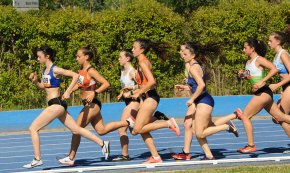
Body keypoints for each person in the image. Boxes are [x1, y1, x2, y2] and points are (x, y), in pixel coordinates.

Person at [24, 46, 108, 168]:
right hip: (56, 104)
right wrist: (36, 81)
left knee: (33, 128)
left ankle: (37, 159)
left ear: (47, 56)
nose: (37, 59)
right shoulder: (44, 70)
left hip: (56, 104)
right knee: (76, 129)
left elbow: (75, 76)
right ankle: (102, 144)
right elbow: (44, 86)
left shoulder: (55, 69)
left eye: (39, 56)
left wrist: (68, 91)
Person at [57, 46, 131, 166]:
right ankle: (128, 122)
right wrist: (69, 92)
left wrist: (94, 92)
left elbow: (106, 83)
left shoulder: (91, 70)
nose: (76, 58)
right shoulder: (81, 70)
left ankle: (71, 157)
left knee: (76, 128)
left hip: (92, 104)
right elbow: (80, 85)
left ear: (86, 57)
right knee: (101, 130)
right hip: (88, 104)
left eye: (78, 56)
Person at [172, 42, 239, 160]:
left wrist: (191, 99)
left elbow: (201, 85)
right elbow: (196, 85)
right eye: (181, 52)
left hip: (204, 101)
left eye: (185, 53)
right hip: (201, 100)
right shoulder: (195, 65)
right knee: (195, 128)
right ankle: (207, 155)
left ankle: (226, 126)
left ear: (192, 55)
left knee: (200, 133)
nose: (182, 55)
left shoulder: (193, 67)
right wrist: (185, 87)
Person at [126, 39, 180, 164]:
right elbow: (144, 83)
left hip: (151, 98)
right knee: (137, 129)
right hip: (145, 98)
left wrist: (140, 92)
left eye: (134, 48)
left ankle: (168, 123)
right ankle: (156, 157)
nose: (132, 50)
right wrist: (133, 91)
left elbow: (152, 82)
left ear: (142, 50)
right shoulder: (140, 63)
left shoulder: (143, 63)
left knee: (138, 129)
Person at [112, 49, 169, 162]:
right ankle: (157, 118)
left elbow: (143, 84)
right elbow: (128, 86)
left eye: (120, 57)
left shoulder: (133, 71)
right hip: (129, 100)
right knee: (137, 129)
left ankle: (125, 155)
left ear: (127, 58)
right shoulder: (123, 70)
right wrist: (122, 93)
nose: (118, 59)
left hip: (136, 101)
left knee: (122, 129)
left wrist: (134, 92)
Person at [237, 38, 290, 153]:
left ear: (252, 48)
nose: (243, 49)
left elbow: (274, 69)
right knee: (280, 117)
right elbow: (251, 76)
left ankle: (251, 146)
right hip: (261, 93)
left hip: (263, 92)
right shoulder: (248, 61)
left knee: (245, 116)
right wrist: (243, 75)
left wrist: (263, 81)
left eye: (245, 47)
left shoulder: (259, 59)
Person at [268, 31, 290, 137]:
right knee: (277, 118)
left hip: (289, 87)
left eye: (270, 41)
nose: (268, 43)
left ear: (278, 41)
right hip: (285, 88)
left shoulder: (283, 54)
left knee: (279, 117)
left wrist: (277, 85)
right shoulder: (277, 55)